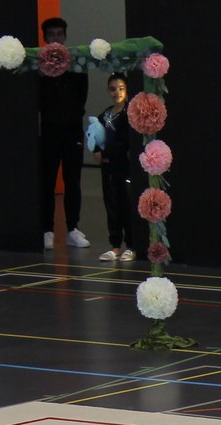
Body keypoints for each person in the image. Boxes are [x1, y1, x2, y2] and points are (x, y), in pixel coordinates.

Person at [35, 16, 90, 250]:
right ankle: (47, 229)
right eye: (51, 35)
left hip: (72, 131)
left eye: (59, 34)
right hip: (49, 131)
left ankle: (72, 229)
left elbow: (82, 96)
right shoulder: (39, 68)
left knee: (73, 181)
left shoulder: (75, 66)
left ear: (65, 37)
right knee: (47, 181)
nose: (56, 38)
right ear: (45, 38)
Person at [93, 73, 149, 263]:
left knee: (126, 205)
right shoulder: (106, 114)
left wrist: (106, 153)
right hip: (108, 169)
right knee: (112, 206)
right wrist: (96, 150)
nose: (117, 92)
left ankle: (131, 246)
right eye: (112, 89)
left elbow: (125, 142)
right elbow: (96, 135)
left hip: (124, 168)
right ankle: (115, 246)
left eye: (121, 88)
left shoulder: (129, 114)